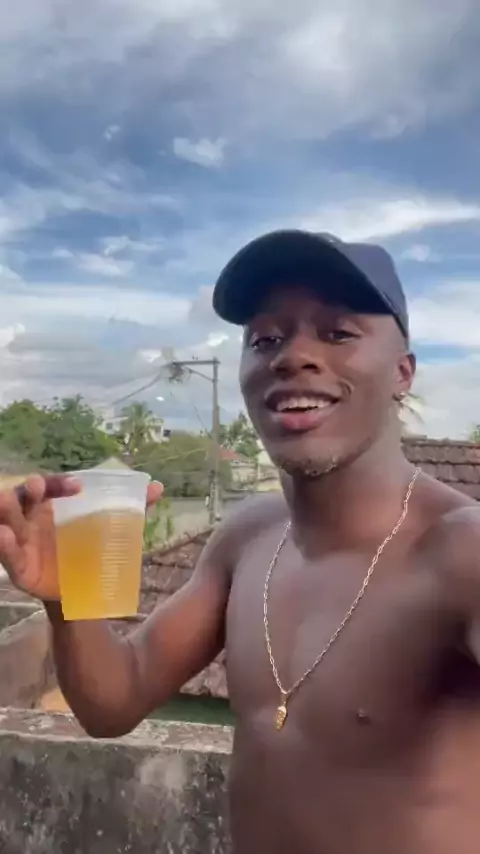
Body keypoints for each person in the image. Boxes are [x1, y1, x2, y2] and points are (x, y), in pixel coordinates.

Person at [1, 229, 479, 854]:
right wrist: (68, 599)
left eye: (338, 333)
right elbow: (114, 701)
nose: (294, 356)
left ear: (402, 372)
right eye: (266, 339)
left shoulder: (461, 551)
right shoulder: (248, 537)